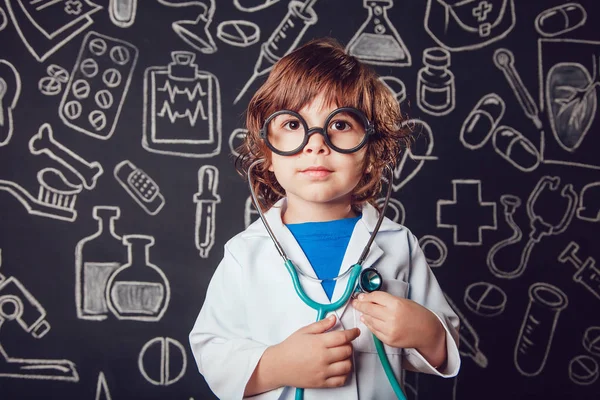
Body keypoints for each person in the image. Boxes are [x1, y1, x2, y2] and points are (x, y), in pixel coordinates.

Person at [189, 37, 460, 400]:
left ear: (371, 151)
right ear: (267, 152)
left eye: (341, 125)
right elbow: (212, 349)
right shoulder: (245, 254)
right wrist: (277, 364)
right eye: (292, 125)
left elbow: (442, 347)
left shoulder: (398, 245)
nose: (316, 143)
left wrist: (426, 332)